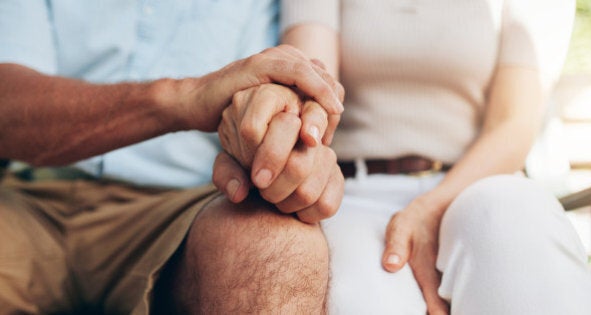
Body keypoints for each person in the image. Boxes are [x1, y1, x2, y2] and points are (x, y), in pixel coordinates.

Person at [0, 1, 344, 314]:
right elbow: (7, 108)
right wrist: (185, 99)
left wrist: (277, 132)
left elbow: (269, 95)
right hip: (35, 202)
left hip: (186, 206)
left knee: (278, 251)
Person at [265, 0, 591, 314]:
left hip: (475, 184)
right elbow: (312, 85)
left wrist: (430, 207)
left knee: (515, 220)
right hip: (350, 195)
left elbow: (514, 124)